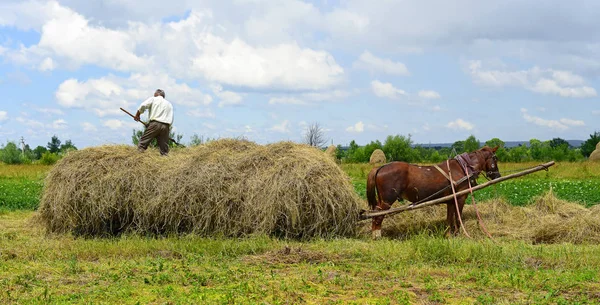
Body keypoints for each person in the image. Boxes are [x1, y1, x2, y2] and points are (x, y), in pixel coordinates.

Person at [133, 89, 174, 156]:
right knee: (164, 150)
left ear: (157, 94)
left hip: (155, 124)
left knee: (143, 143)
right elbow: (170, 117)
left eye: (154, 94)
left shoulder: (153, 99)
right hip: (166, 126)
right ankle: (165, 159)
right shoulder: (169, 104)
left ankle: (138, 157)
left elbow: (143, 105)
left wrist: (137, 115)